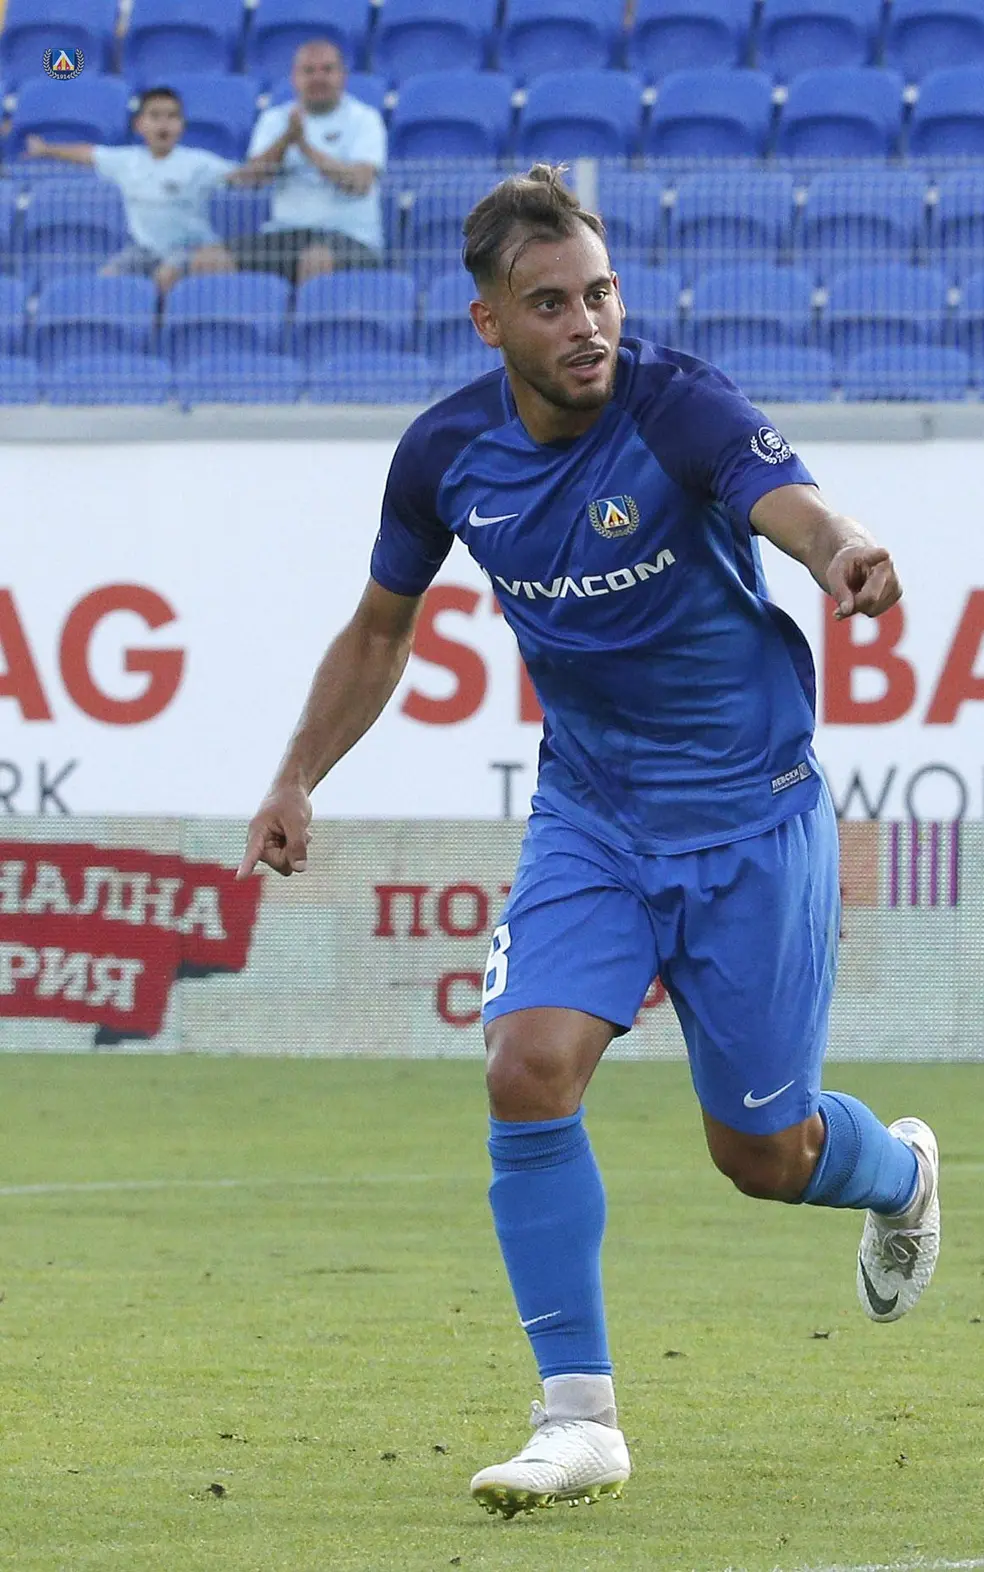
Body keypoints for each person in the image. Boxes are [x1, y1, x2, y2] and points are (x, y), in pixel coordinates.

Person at [238, 164, 942, 1521]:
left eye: (602, 295)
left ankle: (900, 1175)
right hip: (593, 818)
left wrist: (843, 551)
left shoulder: (678, 406)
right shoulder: (446, 456)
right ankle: (578, 1422)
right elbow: (379, 631)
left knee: (763, 1154)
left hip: (752, 818)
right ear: (489, 321)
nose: (589, 325)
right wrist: (296, 777)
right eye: (552, 303)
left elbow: (792, 506)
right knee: (527, 1066)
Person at [24, 86, 240, 293]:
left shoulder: (199, 162)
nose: (163, 124)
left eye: (172, 116)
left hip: (189, 248)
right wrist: (46, 149)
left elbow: (240, 174)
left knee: (166, 277)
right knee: (106, 280)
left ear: (182, 125)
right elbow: (88, 153)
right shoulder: (126, 161)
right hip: (143, 250)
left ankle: (162, 318)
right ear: (139, 124)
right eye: (155, 116)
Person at [220, 40, 386, 285]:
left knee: (315, 260)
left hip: (350, 237)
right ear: (294, 79)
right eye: (308, 71)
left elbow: (359, 182)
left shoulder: (365, 119)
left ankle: (308, 312)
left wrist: (305, 147)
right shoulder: (275, 119)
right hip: (285, 233)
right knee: (211, 259)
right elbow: (254, 178)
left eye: (327, 70)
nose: (318, 78)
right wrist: (286, 139)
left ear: (343, 76)